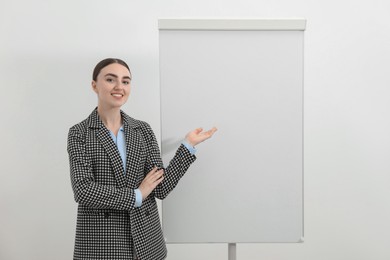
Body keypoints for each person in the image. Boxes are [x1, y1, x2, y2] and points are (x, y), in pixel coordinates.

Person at [67, 58, 217, 260]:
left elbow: (160, 188)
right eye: (111, 79)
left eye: (126, 81)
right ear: (94, 85)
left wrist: (188, 146)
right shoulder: (79, 133)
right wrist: (137, 195)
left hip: (146, 243)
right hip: (102, 244)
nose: (119, 86)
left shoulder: (142, 129)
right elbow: (83, 190)